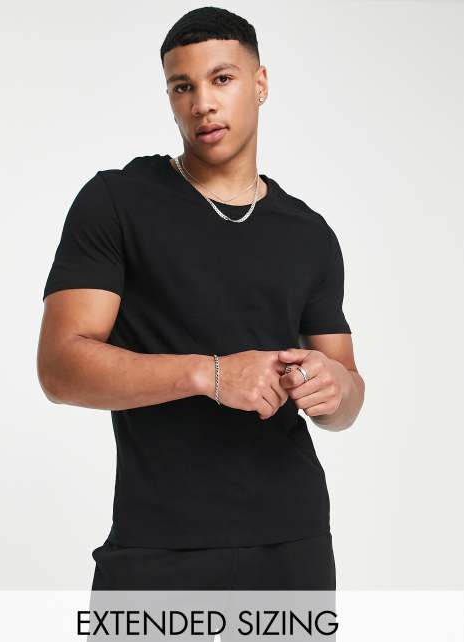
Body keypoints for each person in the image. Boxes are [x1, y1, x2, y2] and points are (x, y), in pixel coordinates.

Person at [38, 6, 365, 594]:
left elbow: (346, 393)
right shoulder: (116, 202)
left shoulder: (310, 233)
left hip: (291, 543)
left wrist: (333, 388)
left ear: (260, 83)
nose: (203, 104)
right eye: (182, 87)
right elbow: (60, 368)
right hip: (156, 543)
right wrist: (210, 375)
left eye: (222, 79)